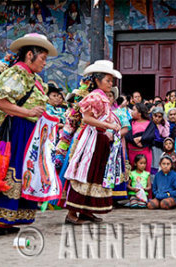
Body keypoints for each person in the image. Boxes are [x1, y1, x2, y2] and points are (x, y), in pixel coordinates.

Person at [0, 33, 58, 235]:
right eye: (42, 58)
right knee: (6, 171)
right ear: (30, 54)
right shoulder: (16, 74)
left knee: (23, 173)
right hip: (14, 128)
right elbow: (0, 102)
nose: (44, 63)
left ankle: (7, 220)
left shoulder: (35, 78)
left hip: (29, 131)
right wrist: (28, 112)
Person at [64, 60, 123, 224]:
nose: (110, 84)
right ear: (97, 80)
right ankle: (72, 213)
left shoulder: (102, 97)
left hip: (100, 139)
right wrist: (108, 126)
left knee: (96, 175)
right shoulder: (95, 97)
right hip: (92, 139)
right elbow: (87, 118)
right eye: (108, 80)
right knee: (86, 173)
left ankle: (86, 212)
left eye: (111, 81)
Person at [125, 103, 155, 173]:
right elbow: (127, 135)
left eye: (134, 110)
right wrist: (134, 141)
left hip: (145, 151)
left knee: (146, 173)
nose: (132, 112)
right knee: (132, 173)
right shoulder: (129, 122)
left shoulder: (150, 123)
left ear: (140, 113)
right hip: (132, 151)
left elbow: (151, 135)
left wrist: (141, 139)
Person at [150, 107, 170, 177]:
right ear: (152, 115)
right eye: (155, 116)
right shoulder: (149, 124)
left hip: (160, 147)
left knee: (159, 164)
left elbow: (166, 135)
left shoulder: (162, 124)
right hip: (151, 147)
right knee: (153, 165)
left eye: (160, 116)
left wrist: (165, 123)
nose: (157, 118)